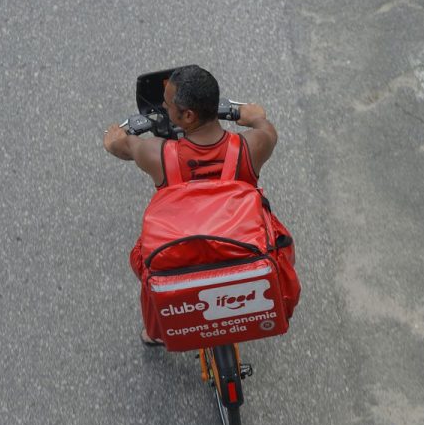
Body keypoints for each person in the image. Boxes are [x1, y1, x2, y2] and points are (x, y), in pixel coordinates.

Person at [103, 65, 293, 346]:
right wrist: (255, 117)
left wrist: (116, 138)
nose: (165, 110)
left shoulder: (156, 154)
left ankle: (156, 332)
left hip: (180, 252)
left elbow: (119, 146)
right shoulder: (254, 146)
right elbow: (264, 126)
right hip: (242, 245)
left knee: (142, 257)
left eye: (168, 106)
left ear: (187, 116)